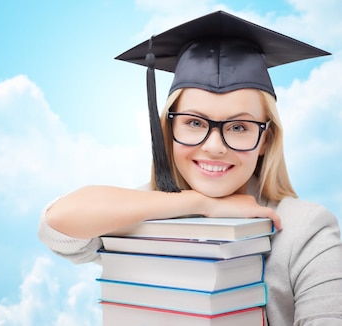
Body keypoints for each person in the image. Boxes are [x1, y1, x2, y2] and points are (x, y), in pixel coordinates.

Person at [38, 11, 342, 325]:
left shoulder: (305, 230)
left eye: (239, 127)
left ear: (265, 139)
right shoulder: (137, 212)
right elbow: (57, 224)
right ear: (168, 131)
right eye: (194, 123)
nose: (214, 146)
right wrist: (202, 205)